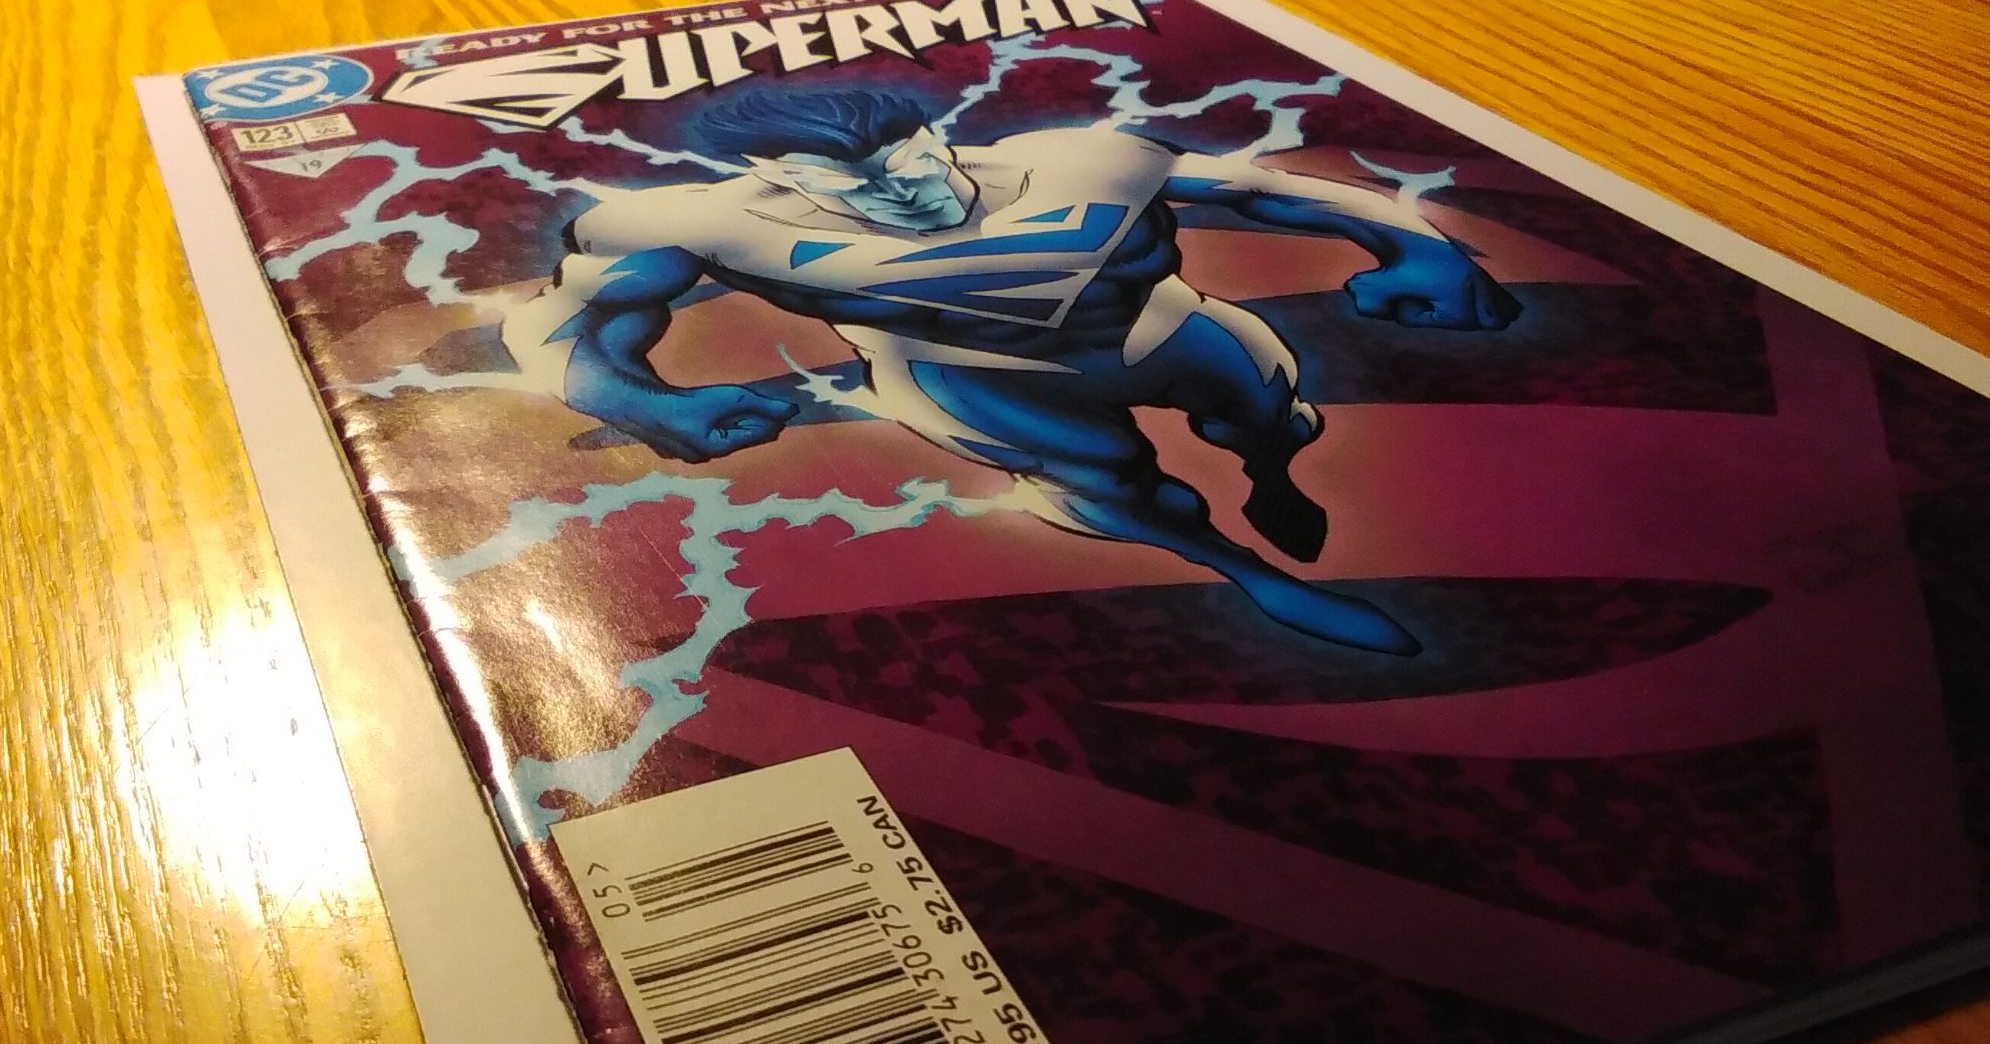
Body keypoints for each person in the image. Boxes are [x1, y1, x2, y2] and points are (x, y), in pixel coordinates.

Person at [503, 88, 1520, 654]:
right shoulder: (706, 226)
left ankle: (1271, 473)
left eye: (908, 162)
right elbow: (562, 321)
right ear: (774, 179)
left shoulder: (1081, 163)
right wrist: (632, 397)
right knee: (1113, 488)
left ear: (934, 137)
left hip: (1154, 325)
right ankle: (1246, 574)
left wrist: (1422, 250)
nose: (900, 193)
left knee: (1264, 411)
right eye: (846, 186)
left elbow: (1266, 192)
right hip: (965, 373)